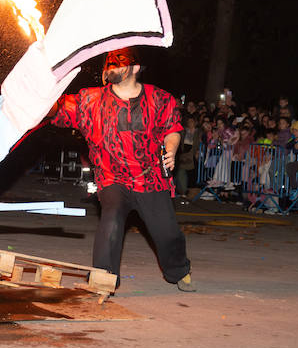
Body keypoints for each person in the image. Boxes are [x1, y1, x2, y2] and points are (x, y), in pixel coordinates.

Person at [48, 48, 194, 292]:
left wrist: (171, 148)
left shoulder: (160, 99)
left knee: (167, 233)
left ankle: (178, 270)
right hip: (112, 176)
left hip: (151, 178)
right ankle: (104, 280)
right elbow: (58, 110)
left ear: (135, 68)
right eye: (109, 65)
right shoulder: (90, 100)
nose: (111, 68)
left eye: (118, 64)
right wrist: (44, 96)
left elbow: (173, 128)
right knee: (112, 220)